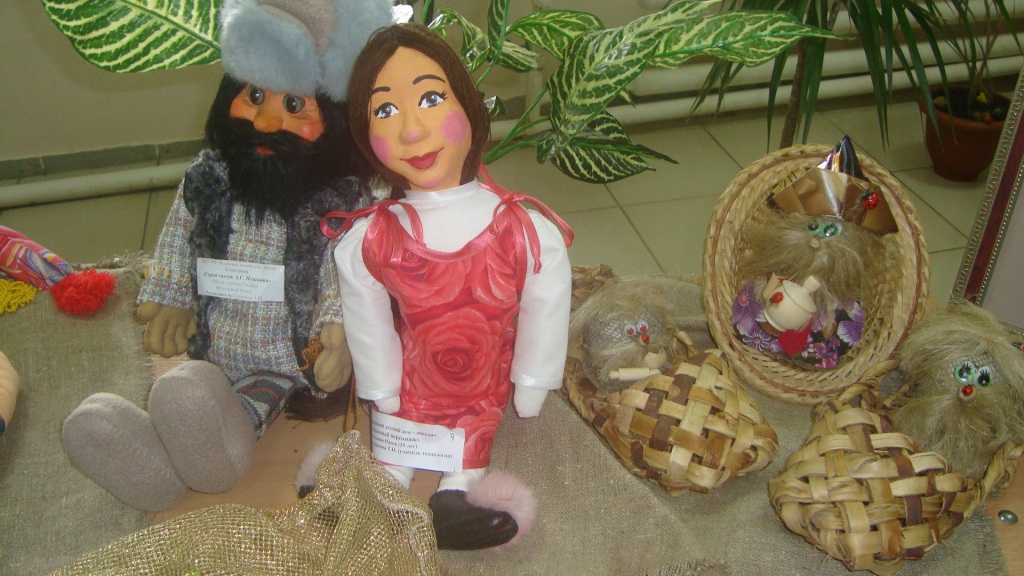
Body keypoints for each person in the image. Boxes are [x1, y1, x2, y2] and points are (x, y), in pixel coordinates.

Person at [61, 0, 394, 513]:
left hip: (284, 360)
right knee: (191, 393)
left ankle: (210, 451)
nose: (266, 121)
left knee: (213, 404)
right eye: (254, 95)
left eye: (295, 105)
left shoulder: (342, 199)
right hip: (212, 346)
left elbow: (347, 268)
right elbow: (179, 234)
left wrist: (339, 329)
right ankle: (152, 463)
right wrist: (172, 294)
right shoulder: (210, 176)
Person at [325, 22, 574, 551]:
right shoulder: (375, 237)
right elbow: (368, 319)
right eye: (384, 110)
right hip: (409, 390)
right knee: (389, 461)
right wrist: (380, 386)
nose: (412, 131)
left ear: (468, 105)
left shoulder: (520, 229)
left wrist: (532, 379)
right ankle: (373, 499)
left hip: (480, 392)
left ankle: (455, 496)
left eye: (432, 99)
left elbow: (545, 304)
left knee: (466, 453)